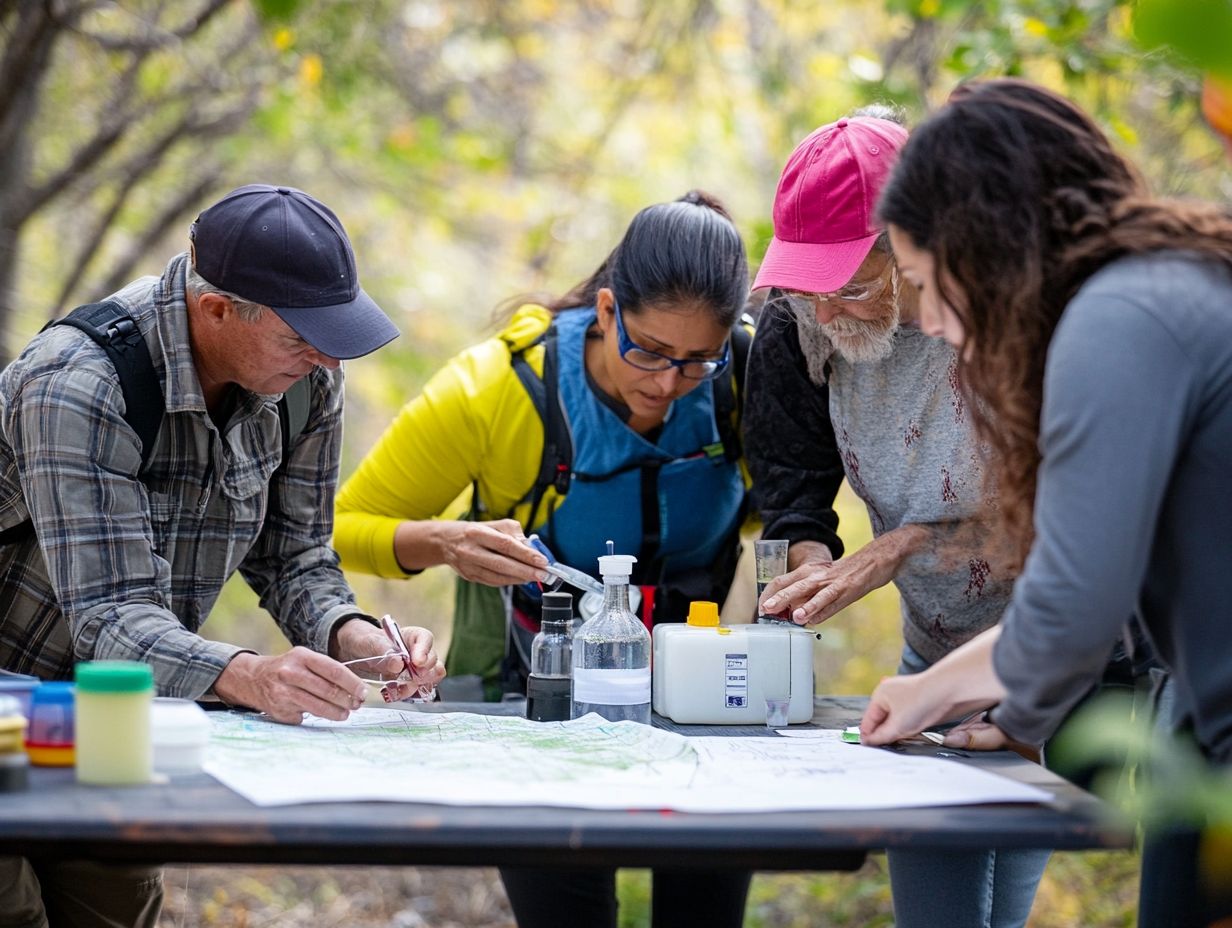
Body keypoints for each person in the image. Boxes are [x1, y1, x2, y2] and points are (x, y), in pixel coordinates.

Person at [0, 183, 446, 928]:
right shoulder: (78, 381)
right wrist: (251, 676)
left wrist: (355, 637)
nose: (327, 359)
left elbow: (295, 555)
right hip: (10, 696)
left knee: (116, 911)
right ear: (215, 310)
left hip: (116, 715)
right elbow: (110, 618)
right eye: (303, 337)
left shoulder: (305, 384)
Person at [860, 78, 1232, 928]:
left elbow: (1073, 607)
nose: (927, 320)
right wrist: (975, 698)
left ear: (981, 245)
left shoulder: (1117, 320)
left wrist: (976, 705)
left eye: (922, 279)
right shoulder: (1159, 290)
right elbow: (1099, 589)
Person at [334, 190, 753, 928]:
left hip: (705, 702)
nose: (665, 384)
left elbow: (787, 506)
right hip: (535, 702)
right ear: (606, 308)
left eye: (695, 362)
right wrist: (446, 542)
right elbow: (345, 526)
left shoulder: (747, 378)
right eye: (647, 351)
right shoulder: (499, 388)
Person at [743, 110, 1051, 928]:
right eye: (810, 285)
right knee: (940, 906)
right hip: (935, 641)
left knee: (1005, 899)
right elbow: (793, 484)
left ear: (913, 243)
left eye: (851, 283)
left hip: (1059, 646)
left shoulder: (1004, 307)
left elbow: (1079, 523)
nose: (830, 312)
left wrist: (902, 546)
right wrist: (811, 567)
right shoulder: (797, 321)